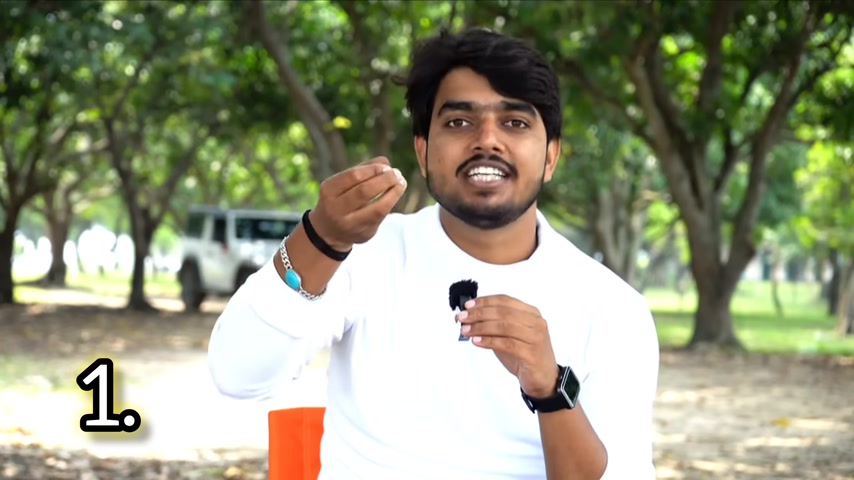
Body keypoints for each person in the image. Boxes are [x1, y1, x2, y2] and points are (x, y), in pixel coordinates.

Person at [207, 27, 659, 480]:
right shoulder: (365, 254)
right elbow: (238, 377)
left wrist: (551, 388)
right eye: (459, 122)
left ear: (551, 157)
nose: (487, 140)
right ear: (422, 152)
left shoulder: (614, 308)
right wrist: (319, 238)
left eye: (515, 123)